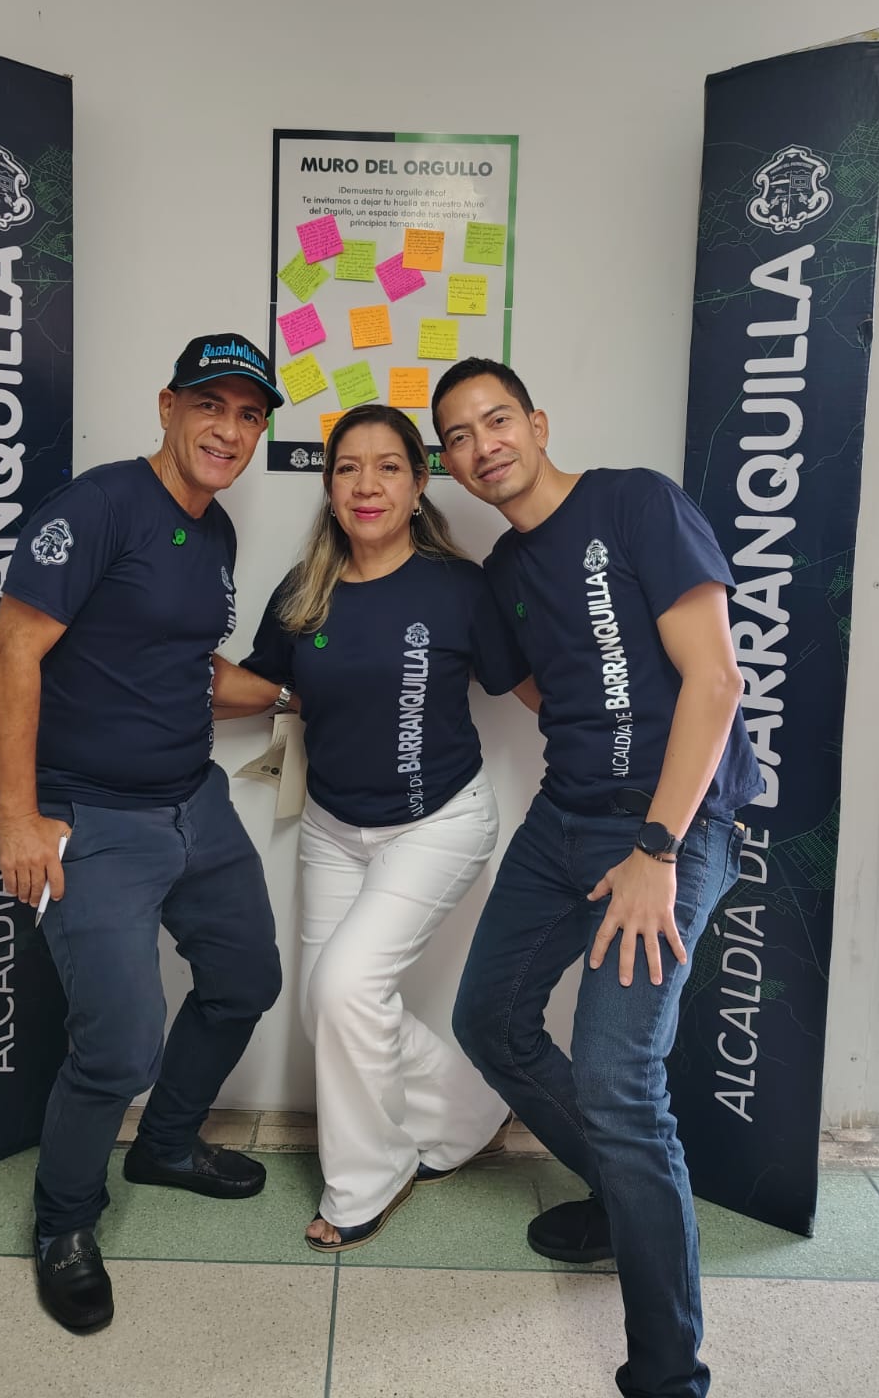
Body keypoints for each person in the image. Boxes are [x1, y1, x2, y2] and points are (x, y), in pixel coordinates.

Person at [431, 357, 763, 1398]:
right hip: (565, 818)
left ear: (537, 423)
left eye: (496, 420)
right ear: (450, 463)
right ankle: (625, 1200)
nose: (482, 445)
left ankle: (668, 1376)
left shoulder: (635, 502)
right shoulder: (503, 572)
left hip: (672, 827)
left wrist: (655, 850)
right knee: (489, 1021)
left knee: (620, 1082)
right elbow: (544, 684)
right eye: (458, 436)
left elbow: (715, 679)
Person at [0, 336, 293, 1334]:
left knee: (245, 980)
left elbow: (191, 668)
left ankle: (165, 1145)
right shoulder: (98, 507)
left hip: (193, 801)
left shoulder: (215, 533)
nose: (229, 430)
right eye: (211, 405)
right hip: (92, 817)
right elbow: (13, 653)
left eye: (249, 415)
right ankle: (65, 1223)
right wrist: (18, 816)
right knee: (118, 1048)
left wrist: (298, 691)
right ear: (168, 407)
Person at [236, 404, 537, 1252]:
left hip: (439, 823)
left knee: (344, 991)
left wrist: (632, 751)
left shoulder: (460, 587)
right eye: (347, 468)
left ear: (418, 483)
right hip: (333, 826)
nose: (365, 485)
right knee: (326, 1008)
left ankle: (364, 1184)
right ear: (329, 486)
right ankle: (471, 1111)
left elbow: (533, 690)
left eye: (388, 467)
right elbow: (257, 685)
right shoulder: (303, 590)